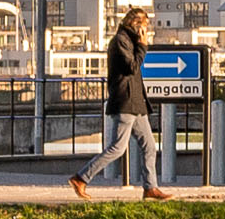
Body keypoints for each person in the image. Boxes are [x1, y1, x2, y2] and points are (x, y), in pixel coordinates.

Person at [71, 11, 170, 200]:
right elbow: (131, 67)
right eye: (145, 26)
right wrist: (142, 46)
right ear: (136, 24)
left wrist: (139, 45)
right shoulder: (120, 41)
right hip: (125, 101)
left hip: (136, 103)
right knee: (117, 148)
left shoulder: (129, 41)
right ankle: (81, 178)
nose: (147, 30)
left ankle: (150, 188)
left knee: (149, 146)